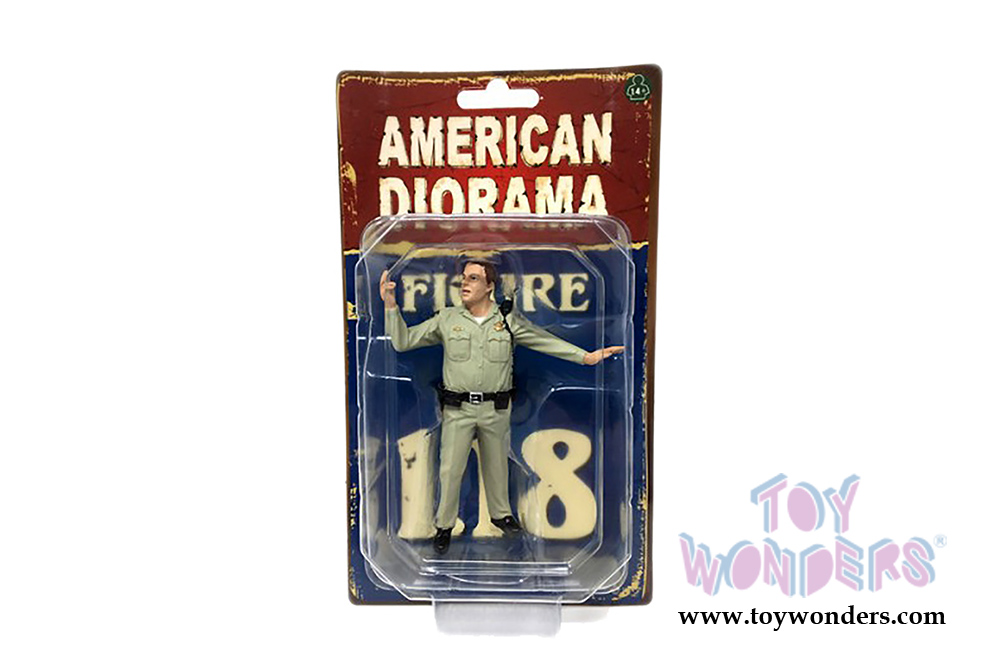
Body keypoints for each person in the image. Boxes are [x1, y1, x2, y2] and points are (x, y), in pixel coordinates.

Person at [380, 259, 624, 554]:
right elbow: (403, 342)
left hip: (495, 409)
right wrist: (390, 305)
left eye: (473, 278)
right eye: (463, 278)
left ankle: (501, 515)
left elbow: (543, 340)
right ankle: (444, 525)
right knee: (450, 469)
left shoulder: (508, 322)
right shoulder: (448, 319)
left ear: (490, 286)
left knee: (497, 466)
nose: (464, 283)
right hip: (457, 409)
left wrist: (586, 357)